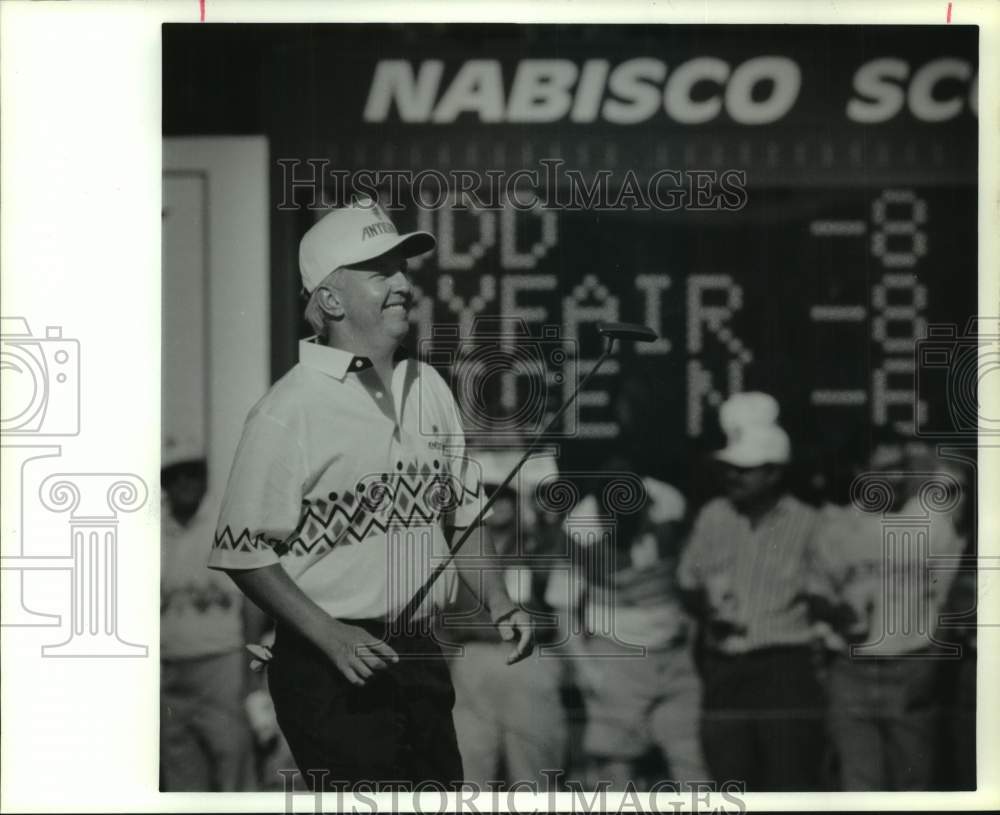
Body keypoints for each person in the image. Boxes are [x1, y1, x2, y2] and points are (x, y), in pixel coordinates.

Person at [207, 197, 534, 790]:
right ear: (329, 300)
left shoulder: (429, 385)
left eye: (404, 270)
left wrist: (501, 602)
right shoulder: (287, 410)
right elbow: (241, 550)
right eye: (381, 271)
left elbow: (461, 518)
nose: (404, 285)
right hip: (329, 659)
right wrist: (330, 635)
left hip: (419, 651)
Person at [677, 392, 826, 791]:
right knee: (730, 786)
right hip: (725, 670)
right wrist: (707, 609)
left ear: (774, 473)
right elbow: (687, 583)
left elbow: (823, 594)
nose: (733, 477)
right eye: (729, 469)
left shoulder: (809, 523)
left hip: (784, 670)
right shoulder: (713, 516)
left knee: (789, 784)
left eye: (745, 470)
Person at [809, 439, 968, 790]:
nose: (895, 478)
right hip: (851, 673)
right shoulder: (835, 528)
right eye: (883, 470)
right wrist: (837, 613)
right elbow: (816, 593)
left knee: (914, 787)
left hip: (910, 670)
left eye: (902, 468)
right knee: (859, 786)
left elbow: (950, 600)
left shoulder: (933, 522)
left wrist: (930, 666)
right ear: (859, 473)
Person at [569, 469, 709, 791]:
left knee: (692, 762)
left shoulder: (670, 508)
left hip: (673, 659)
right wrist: (586, 668)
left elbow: (688, 582)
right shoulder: (580, 528)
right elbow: (564, 609)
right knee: (615, 771)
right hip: (616, 658)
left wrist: (688, 642)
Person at [438, 448, 568, 789]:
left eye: (504, 494)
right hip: (470, 659)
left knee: (533, 772)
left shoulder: (539, 543)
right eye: (487, 493)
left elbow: (563, 602)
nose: (497, 502)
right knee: (468, 771)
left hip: (527, 658)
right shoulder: (452, 546)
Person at [160, 438, 256, 791]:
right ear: (164, 482)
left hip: (221, 661)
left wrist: (250, 664)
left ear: (204, 478)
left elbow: (252, 600)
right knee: (180, 767)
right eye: (174, 476)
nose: (184, 483)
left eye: (192, 474)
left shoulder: (227, 522)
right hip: (168, 666)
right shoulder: (149, 528)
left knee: (232, 759)